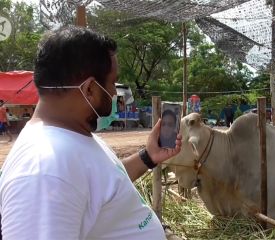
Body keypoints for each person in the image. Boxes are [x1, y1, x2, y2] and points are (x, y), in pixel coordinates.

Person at [0, 26, 181, 239]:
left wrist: (148, 157)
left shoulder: (71, 136)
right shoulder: (44, 171)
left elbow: (100, 183)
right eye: (113, 83)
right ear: (90, 89)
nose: (114, 92)